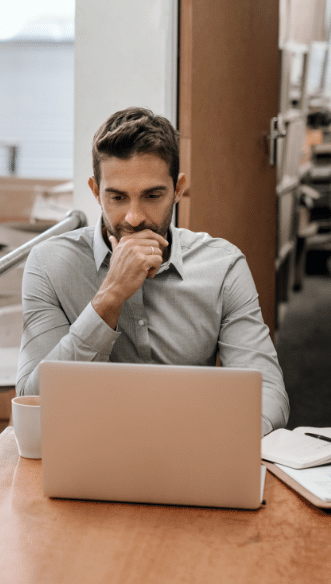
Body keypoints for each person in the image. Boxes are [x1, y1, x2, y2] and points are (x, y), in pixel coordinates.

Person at [15, 106, 289, 436]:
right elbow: (34, 403)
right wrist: (109, 297)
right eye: (117, 197)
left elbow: (267, 394)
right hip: (89, 447)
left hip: (194, 448)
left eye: (152, 195)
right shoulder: (50, 264)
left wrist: (220, 442)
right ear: (95, 192)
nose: (134, 217)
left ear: (178, 189)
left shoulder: (223, 266)